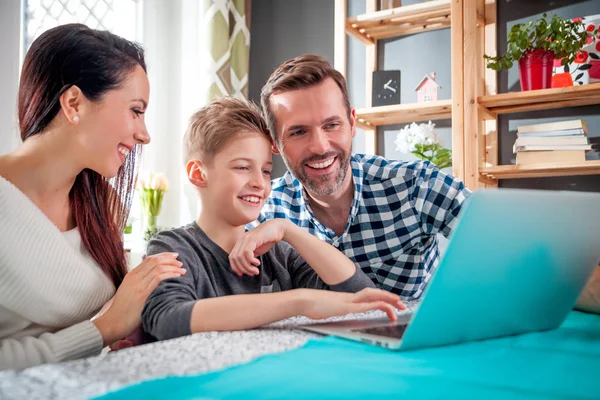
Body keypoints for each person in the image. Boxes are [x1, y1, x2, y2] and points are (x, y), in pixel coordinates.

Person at [141, 97, 405, 341]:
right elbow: (166, 319)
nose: (259, 183)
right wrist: (299, 302)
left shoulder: (277, 253)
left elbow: (358, 300)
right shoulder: (173, 248)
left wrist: (288, 229)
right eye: (243, 167)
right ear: (199, 174)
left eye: (266, 171)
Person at [0, 24, 185, 371]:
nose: (144, 134)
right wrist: (104, 329)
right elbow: (103, 325)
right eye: (136, 110)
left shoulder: (102, 205)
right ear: (74, 104)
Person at [251, 54, 470, 299]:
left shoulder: (416, 186)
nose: (320, 147)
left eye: (332, 125)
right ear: (274, 143)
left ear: (352, 123)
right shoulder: (264, 210)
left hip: (412, 335)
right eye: (299, 132)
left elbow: (505, 246)